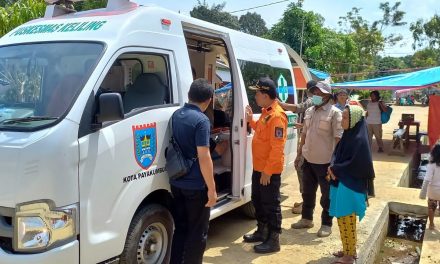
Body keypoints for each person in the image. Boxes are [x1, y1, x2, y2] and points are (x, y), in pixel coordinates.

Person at [169, 78, 217, 264]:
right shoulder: (202, 120)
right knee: (198, 232)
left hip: (176, 181)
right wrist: (212, 189)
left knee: (180, 228)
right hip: (196, 186)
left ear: (189, 95)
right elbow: (204, 156)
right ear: (209, 100)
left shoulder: (176, 114)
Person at [291, 81, 343, 238]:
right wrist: (299, 154)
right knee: (307, 192)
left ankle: (326, 224)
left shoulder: (334, 113)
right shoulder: (309, 111)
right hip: (308, 160)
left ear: (327, 96)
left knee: (327, 196)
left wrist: (335, 164)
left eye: (320, 93)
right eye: (314, 93)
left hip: (326, 163)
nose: (316, 96)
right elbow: (304, 135)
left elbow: (338, 139)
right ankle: (306, 219)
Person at [242, 77, 288, 253]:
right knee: (258, 200)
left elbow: (277, 148)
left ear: (266, 94)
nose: (255, 96)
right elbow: (261, 131)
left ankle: (274, 239)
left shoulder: (277, 116)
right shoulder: (265, 112)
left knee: (271, 204)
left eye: (257, 93)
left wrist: (268, 172)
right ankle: (262, 231)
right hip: (259, 168)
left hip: (269, 170)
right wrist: (249, 121)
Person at [328, 105, 375, 264]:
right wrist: (332, 167)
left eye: (346, 117)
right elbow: (337, 155)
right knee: (342, 219)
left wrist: (336, 168)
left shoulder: (359, 140)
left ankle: (348, 256)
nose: (342, 119)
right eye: (342, 116)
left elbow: (358, 164)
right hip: (342, 182)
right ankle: (349, 249)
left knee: (346, 219)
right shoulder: (348, 135)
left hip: (350, 186)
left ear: (354, 120)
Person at [278, 80, 316, 214]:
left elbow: (298, 108)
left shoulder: (314, 99)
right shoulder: (320, 101)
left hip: (311, 144)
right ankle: (306, 201)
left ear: (309, 89)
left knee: (301, 167)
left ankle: (307, 203)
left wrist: (281, 104)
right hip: (312, 142)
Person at [420, 142, 440, 230]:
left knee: (431, 207)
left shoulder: (431, 165)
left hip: (433, 191)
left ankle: (431, 224)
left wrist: (423, 193)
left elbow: (427, 179)